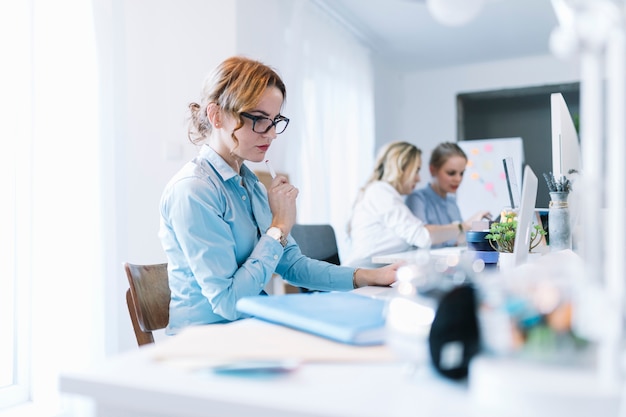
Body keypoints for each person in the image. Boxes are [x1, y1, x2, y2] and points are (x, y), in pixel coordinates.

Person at [158, 56, 399, 335]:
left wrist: (370, 276)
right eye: (259, 120)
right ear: (216, 116)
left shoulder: (250, 185)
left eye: (275, 121)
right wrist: (278, 228)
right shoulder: (193, 190)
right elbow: (229, 303)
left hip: (250, 330)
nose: (271, 134)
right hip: (206, 342)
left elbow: (292, 265)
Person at [346, 141, 482, 268]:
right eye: (416, 170)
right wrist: (465, 226)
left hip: (380, 272)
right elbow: (422, 237)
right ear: (400, 169)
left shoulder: (390, 196)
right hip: (363, 273)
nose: (418, 178)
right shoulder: (380, 192)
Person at [406, 142, 491, 248]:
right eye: (451, 173)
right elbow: (422, 236)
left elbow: (459, 238)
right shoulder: (417, 199)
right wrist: (466, 225)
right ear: (432, 170)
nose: (458, 179)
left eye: (461, 173)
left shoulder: (452, 202)